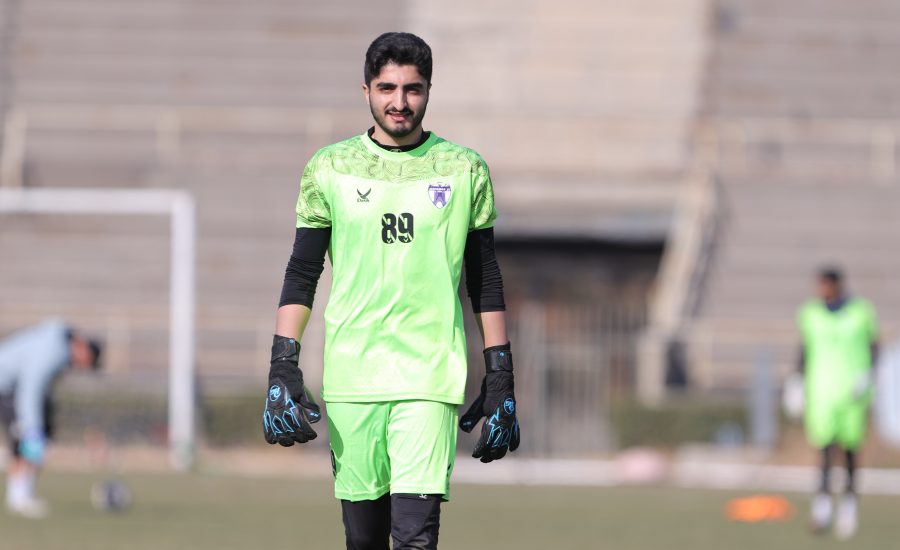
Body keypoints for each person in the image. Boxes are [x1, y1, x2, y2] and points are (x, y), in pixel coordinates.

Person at [261, 32, 520, 549]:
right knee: (364, 541)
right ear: (366, 91)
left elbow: (484, 279)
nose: (399, 102)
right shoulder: (329, 167)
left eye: (412, 89)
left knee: (416, 537)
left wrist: (500, 373)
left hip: (430, 375)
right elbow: (302, 272)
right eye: (387, 88)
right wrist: (282, 363)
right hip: (353, 376)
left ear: (428, 91)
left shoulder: (464, 169)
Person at [797, 267, 878, 539]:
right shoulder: (810, 313)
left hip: (852, 394)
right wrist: (796, 380)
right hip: (822, 393)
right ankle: (821, 507)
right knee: (824, 450)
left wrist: (868, 374)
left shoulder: (861, 312)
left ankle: (849, 507)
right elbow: (805, 348)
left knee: (851, 452)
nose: (822, 290)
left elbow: (874, 346)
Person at [0, 319, 102, 518]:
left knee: (36, 438)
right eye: (86, 361)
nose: (82, 365)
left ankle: (22, 493)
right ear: (81, 346)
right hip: (5, 385)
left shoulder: (60, 348)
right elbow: (31, 388)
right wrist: (32, 427)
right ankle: (18, 496)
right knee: (23, 440)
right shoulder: (55, 351)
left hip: (15, 388)